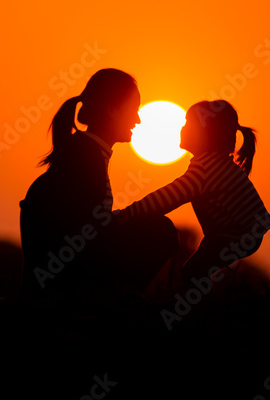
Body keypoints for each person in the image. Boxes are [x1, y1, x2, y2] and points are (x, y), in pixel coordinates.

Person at [19, 68, 178, 297]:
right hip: (64, 284)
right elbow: (88, 232)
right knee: (160, 231)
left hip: (55, 278)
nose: (138, 120)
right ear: (112, 110)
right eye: (133, 110)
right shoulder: (84, 161)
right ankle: (117, 304)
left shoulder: (83, 154)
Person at [116, 100, 270, 286]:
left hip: (236, 233)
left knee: (192, 272)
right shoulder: (215, 164)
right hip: (241, 231)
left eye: (187, 123)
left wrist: (128, 213)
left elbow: (167, 197)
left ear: (205, 133)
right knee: (198, 269)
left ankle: (194, 308)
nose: (182, 128)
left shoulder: (206, 170)